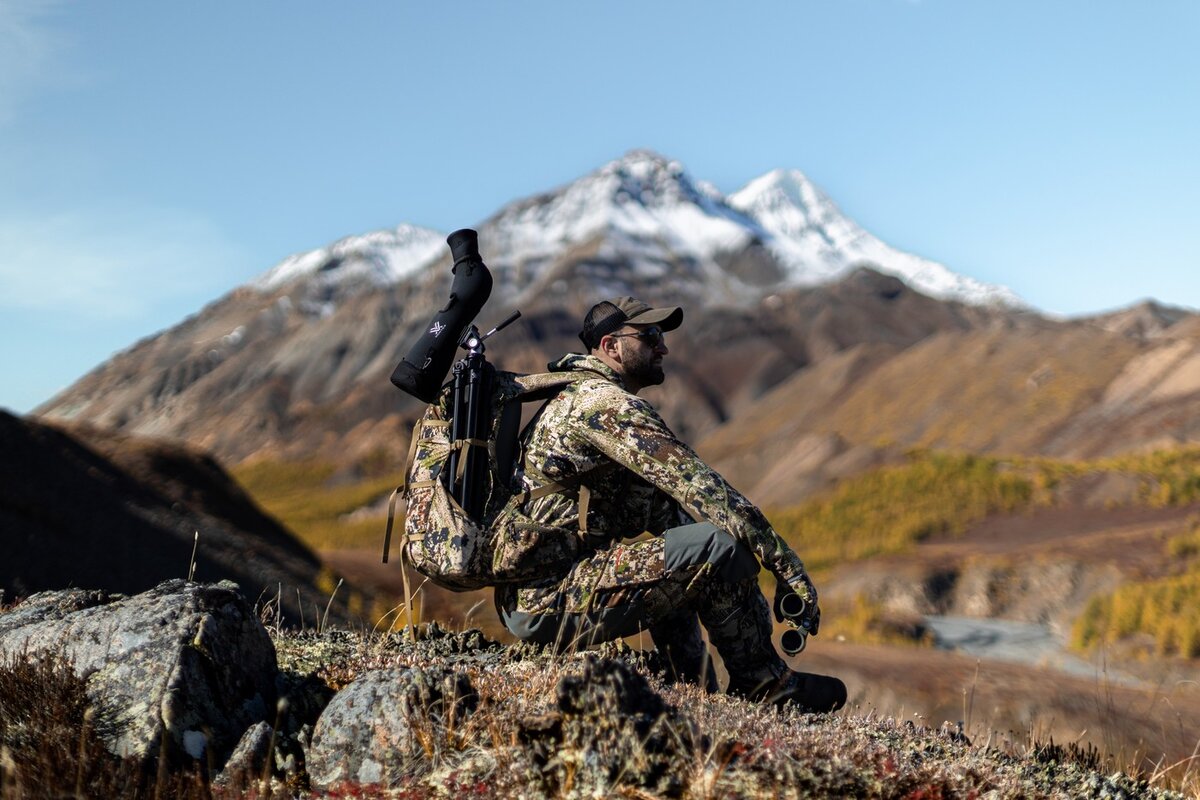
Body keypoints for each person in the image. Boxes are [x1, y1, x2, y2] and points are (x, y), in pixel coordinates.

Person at [492, 296, 846, 711]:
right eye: (651, 336)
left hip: (542, 594)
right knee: (715, 545)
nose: (664, 347)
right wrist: (788, 567)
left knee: (681, 547)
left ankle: (695, 692)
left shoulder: (580, 399)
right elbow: (704, 490)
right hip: (549, 600)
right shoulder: (604, 407)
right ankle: (765, 684)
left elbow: (671, 520)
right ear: (611, 346)